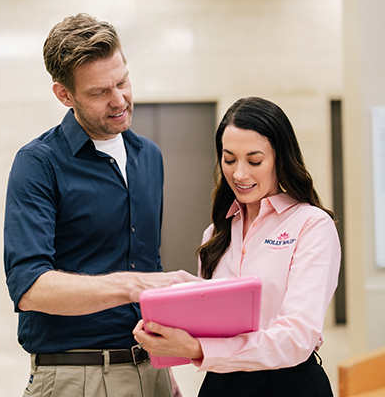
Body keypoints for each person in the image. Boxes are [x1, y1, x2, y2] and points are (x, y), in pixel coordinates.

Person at [3, 13, 198, 397]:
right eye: (98, 92)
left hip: (151, 370)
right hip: (77, 376)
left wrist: (165, 365)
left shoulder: (150, 156)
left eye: (122, 81)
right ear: (64, 94)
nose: (119, 99)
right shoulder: (39, 163)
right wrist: (133, 286)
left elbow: (147, 260)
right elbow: (30, 287)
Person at [133, 96, 341, 396]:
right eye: (229, 160)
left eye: (254, 161)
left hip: (287, 384)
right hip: (220, 383)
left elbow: (297, 337)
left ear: (280, 159)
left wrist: (197, 348)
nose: (239, 174)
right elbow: (208, 325)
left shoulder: (311, 225)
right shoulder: (217, 233)